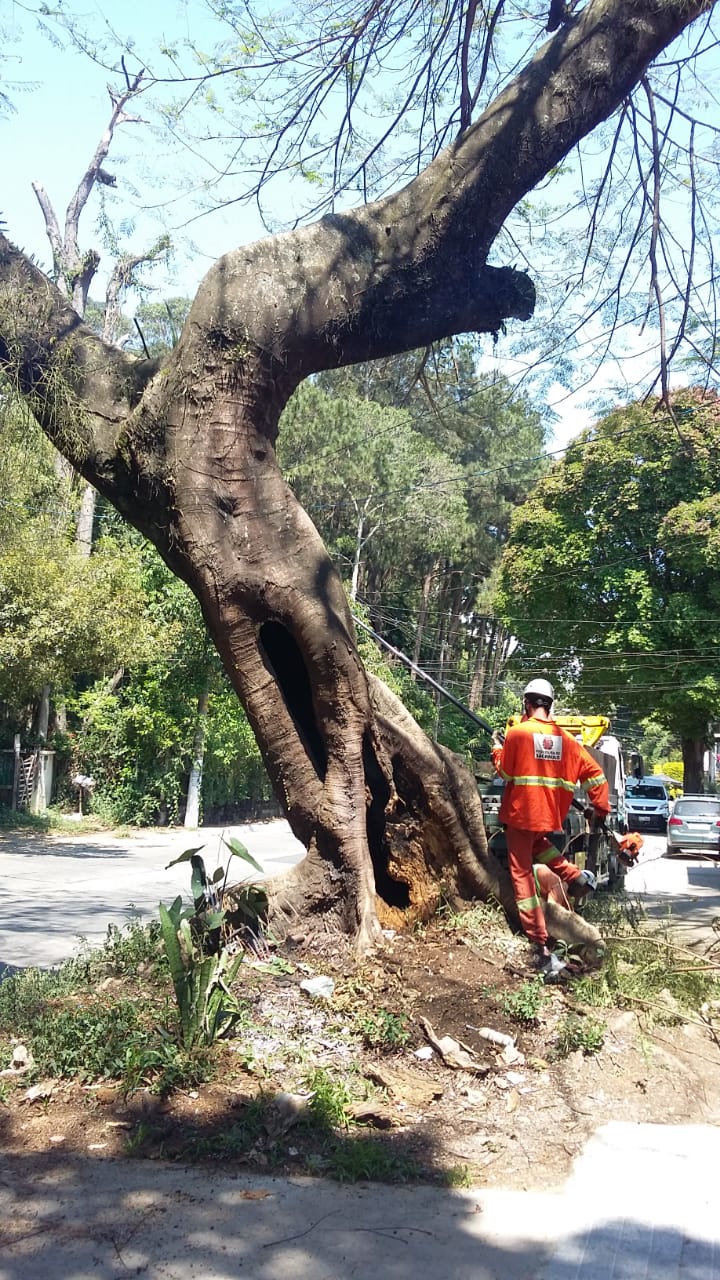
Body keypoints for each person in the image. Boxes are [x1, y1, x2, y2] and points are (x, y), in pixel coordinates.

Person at [491, 678, 610, 970]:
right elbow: (597, 778)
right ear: (550, 704)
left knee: (522, 877)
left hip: (521, 816)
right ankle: (576, 877)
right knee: (540, 845)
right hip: (547, 818)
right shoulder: (569, 743)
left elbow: (505, 773)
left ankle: (539, 943)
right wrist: (600, 811)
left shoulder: (517, 734)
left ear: (526, 703)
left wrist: (497, 749)